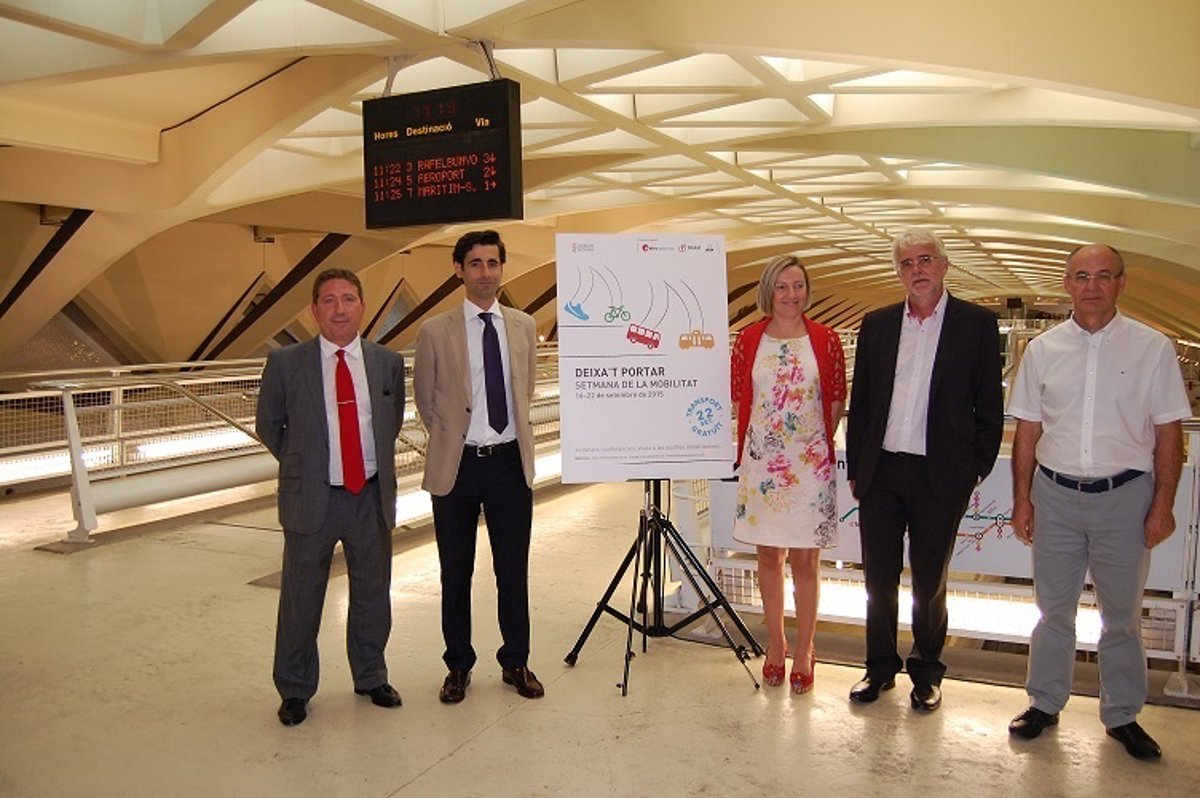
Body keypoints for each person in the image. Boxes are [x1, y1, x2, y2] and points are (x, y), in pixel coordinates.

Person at [1006, 244, 1189, 760]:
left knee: (1123, 615)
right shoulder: (1042, 351)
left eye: (1103, 276)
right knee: (1052, 610)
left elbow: (1168, 433)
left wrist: (1163, 504)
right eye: (1082, 276)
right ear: (1067, 284)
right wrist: (1022, 501)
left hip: (1125, 497)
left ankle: (1123, 714)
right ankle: (1044, 702)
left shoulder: (1153, 348)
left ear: (1120, 283)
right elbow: (1027, 432)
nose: (1092, 286)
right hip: (1055, 496)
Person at [845, 228, 1003, 712]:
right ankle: (879, 668)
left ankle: (927, 671)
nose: (917, 270)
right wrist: (858, 466)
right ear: (898, 272)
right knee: (878, 579)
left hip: (941, 475)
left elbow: (989, 406)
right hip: (882, 473)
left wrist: (973, 471)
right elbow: (861, 400)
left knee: (930, 580)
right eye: (907, 263)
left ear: (944, 266)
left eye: (926, 260)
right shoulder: (877, 324)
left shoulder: (976, 324)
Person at [255, 268, 406, 726]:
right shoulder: (286, 363)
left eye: (348, 299)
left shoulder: (386, 363)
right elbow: (269, 425)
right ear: (314, 310)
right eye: (329, 300)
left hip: (369, 496)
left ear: (362, 306)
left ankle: (371, 675)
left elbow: (391, 421)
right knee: (301, 598)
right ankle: (295, 688)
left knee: (373, 594)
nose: (339, 309)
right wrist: (306, 464)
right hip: (311, 499)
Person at [413, 229, 543, 704]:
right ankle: (458, 665)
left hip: (509, 463)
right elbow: (425, 399)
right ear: (459, 270)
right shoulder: (435, 330)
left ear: (501, 269)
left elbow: (525, 389)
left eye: (492, 263)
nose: (485, 273)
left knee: (512, 570)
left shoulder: (523, 326)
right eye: (475, 263)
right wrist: (456, 437)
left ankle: (516, 661)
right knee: (455, 572)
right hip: (458, 467)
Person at [730, 255, 846, 694]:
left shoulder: (826, 340)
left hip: (808, 466)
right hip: (763, 465)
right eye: (782, 286)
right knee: (768, 557)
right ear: (768, 291)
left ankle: (804, 648)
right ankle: (776, 644)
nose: (791, 294)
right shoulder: (748, 340)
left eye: (798, 285)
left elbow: (835, 399)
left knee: (805, 561)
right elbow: (740, 397)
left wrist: (812, 445)